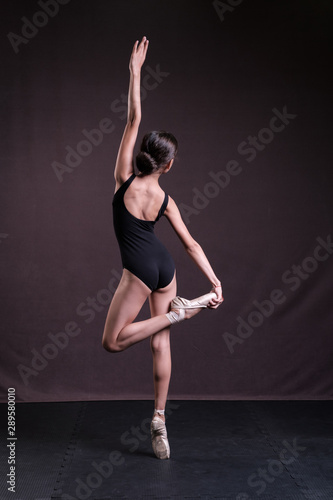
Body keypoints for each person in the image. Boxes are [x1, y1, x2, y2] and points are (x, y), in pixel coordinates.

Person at [102, 36, 223, 460]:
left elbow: (133, 119)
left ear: (144, 155)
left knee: (113, 343)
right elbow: (190, 244)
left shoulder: (123, 180)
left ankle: (179, 312)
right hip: (165, 267)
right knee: (160, 343)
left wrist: (135, 73)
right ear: (168, 165)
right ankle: (159, 421)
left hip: (137, 268)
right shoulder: (166, 200)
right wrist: (214, 279)